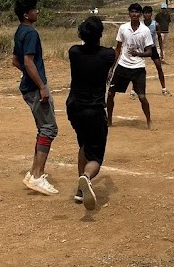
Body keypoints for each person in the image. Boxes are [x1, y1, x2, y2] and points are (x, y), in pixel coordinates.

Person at [67, 17, 116, 210]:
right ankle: (86, 177)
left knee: (84, 144)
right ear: (100, 34)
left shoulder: (74, 52)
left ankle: (80, 191)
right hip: (94, 110)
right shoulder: (108, 55)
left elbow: (83, 48)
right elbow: (112, 57)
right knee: (95, 157)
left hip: (74, 108)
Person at [12, 0, 59, 196]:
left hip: (28, 85)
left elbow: (15, 60)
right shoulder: (31, 33)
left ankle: (33, 173)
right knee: (49, 128)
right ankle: (38, 176)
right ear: (26, 14)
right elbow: (27, 61)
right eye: (34, 10)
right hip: (34, 87)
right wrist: (41, 85)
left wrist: (28, 76)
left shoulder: (20, 31)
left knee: (43, 128)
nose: (37, 12)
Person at [107, 3, 156, 130]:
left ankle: (149, 120)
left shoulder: (145, 31)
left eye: (136, 12)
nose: (134, 14)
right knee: (111, 93)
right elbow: (118, 49)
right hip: (123, 65)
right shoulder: (123, 28)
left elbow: (150, 52)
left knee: (142, 97)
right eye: (132, 11)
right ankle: (109, 120)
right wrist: (112, 68)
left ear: (140, 14)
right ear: (129, 13)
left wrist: (138, 54)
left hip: (138, 68)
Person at [142, 5, 171, 96]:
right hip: (142, 48)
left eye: (149, 13)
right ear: (143, 14)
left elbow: (159, 38)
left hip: (152, 48)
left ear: (151, 14)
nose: (147, 15)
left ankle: (164, 88)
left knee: (159, 67)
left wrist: (161, 50)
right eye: (145, 13)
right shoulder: (140, 24)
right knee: (138, 69)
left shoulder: (155, 24)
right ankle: (134, 90)